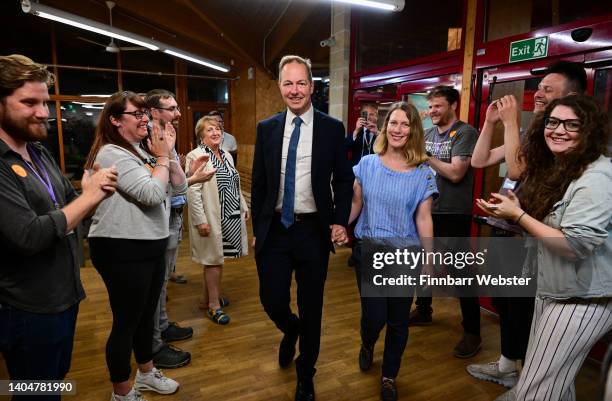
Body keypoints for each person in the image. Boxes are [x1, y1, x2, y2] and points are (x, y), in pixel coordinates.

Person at [477, 95, 612, 401]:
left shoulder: (597, 177)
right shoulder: (565, 167)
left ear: (589, 130)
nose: (558, 130)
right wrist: (515, 205)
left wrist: (519, 216)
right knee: (557, 383)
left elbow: (575, 245)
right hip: (554, 289)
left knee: (535, 391)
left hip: (581, 299)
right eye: (552, 122)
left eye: (571, 124)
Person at [0, 54, 117, 399]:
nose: (43, 112)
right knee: (36, 391)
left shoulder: (38, 152)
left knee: (55, 378)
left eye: (45, 102)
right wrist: (88, 197)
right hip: (27, 307)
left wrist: (90, 196)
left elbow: (67, 201)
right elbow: (28, 235)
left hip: (64, 295)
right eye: (29, 102)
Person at [468, 61, 587, 388]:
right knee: (504, 300)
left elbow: (518, 170)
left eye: (549, 90)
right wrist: (490, 122)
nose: (539, 94)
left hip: (529, 235)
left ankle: (529, 378)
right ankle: (508, 365)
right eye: (540, 87)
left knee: (522, 306)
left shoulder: (560, 136)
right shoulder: (531, 130)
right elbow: (479, 161)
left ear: (571, 96)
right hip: (504, 226)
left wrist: (510, 121)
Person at [251, 54, 353, 401]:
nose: (295, 90)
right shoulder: (266, 128)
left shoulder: (331, 128)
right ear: (280, 87)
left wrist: (339, 220)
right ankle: (289, 329)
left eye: (301, 83)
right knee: (272, 299)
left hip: (313, 231)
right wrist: (257, 228)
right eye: (287, 83)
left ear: (312, 86)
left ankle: (306, 372)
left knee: (313, 307)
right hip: (276, 231)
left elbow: (342, 179)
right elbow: (261, 184)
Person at [85, 91, 186, 401]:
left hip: (149, 244)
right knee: (126, 322)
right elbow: (153, 194)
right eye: (137, 114)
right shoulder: (111, 154)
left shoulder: (139, 152)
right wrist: (161, 159)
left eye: (145, 112)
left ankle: (145, 374)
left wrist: (166, 153)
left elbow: (178, 186)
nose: (145, 118)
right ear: (116, 120)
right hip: (122, 248)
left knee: (145, 317)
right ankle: (122, 392)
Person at [349, 102, 437, 401]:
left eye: (405, 124)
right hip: (371, 251)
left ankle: (389, 376)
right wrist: (335, 225)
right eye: (393, 124)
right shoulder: (368, 164)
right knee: (374, 317)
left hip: (405, 254)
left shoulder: (423, 173)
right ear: (385, 128)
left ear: (413, 130)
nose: (398, 130)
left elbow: (424, 218)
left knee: (398, 320)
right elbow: (355, 205)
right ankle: (367, 341)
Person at [408, 85, 481, 358]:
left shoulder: (465, 133)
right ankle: (424, 309)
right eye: (431, 106)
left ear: (452, 105)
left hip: (453, 212)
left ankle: (472, 331)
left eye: (438, 106)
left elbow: (456, 173)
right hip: (427, 209)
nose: (433, 111)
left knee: (461, 272)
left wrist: (425, 156)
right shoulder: (427, 134)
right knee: (421, 261)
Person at [144, 89, 193, 370]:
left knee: (162, 280)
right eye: (171, 108)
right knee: (156, 283)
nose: (177, 113)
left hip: (173, 210)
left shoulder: (168, 133)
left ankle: (162, 325)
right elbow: (161, 182)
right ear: (154, 111)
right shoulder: (150, 137)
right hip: (159, 214)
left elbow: (177, 181)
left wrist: (184, 174)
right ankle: (154, 344)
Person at [186, 115, 248, 325]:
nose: (215, 133)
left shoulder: (226, 155)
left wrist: (243, 206)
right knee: (213, 260)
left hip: (229, 215)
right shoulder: (196, 156)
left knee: (216, 259)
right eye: (209, 130)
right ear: (201, 135)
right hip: (211, 216)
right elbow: (193, 191)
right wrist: (200, 220)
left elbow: (234, 183)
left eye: (218, 129)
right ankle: (214, 306)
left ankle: (206, 299)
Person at [346, 103, 379, 167]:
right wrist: (356, 131)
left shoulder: (381, 134)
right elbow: (345, 148)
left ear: (376, 117)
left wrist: (377, 133)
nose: (368, 117)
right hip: (356, 171)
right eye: (366, 114)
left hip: (374, 171)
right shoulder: (356, 132)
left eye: (371, 114)